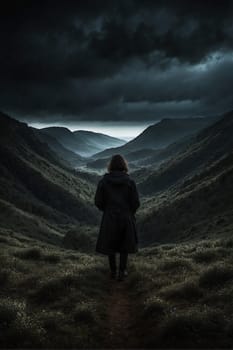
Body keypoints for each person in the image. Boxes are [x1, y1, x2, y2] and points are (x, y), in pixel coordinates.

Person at [94, 154, 140, 281]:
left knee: (111, 244)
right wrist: (130, 212)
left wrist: (107, 210)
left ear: (111, 166)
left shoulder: (103, 182)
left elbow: (98, 201)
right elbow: (136, 202)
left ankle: (113, 272)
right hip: (126, 216)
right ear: (124, 165)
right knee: (124, 245)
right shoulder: (130, 182)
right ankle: (122, 271)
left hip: (109, 216)